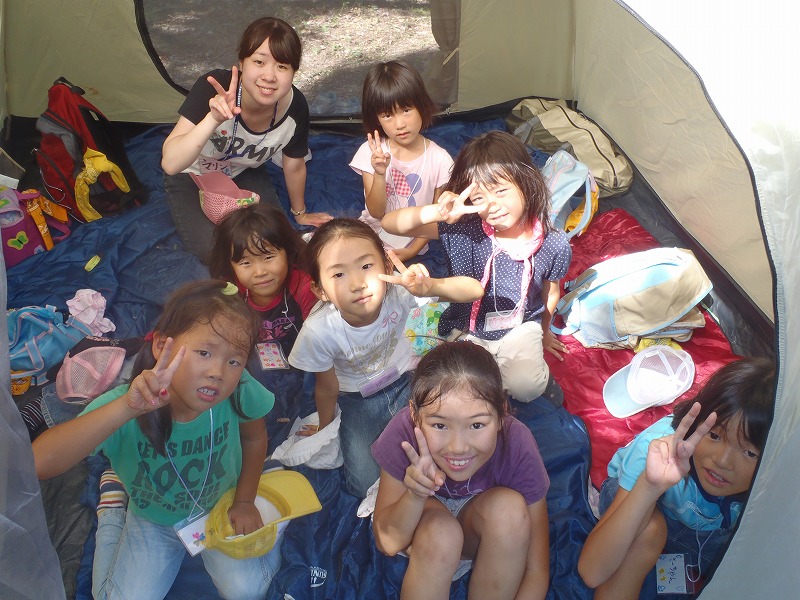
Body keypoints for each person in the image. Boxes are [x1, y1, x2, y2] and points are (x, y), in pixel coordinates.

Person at [32, 280, 280, 600]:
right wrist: (126, 409)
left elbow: (255, 438)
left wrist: (244, 501)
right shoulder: (125, 404)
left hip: (220, 506)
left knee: (248, 591)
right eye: (204, 352)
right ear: (163, 345)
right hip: (153, 518)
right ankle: (112, 507)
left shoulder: (239, 389)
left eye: (234, 360)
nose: (218, 372)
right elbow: (40, 463)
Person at [287, 218, 484, 498]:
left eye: (366, 266)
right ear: (320, 290)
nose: (357, 283)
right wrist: (325, 427)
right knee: (363, 484)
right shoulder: (319, 331)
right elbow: (327, 387)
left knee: (446, 446)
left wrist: (431, 286)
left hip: (408, 379)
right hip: (358, 398)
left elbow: (474, 290)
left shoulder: (397, 294)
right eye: (339, 274)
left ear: (387, 266)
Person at [382, 130, 572, 403]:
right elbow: (390, 224)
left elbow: (550, 293)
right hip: (468, 326)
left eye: (501, 191)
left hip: (519, 326)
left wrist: (544, 332)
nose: (493, 205)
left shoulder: (553, 244)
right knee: (455, 392)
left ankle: (531, 375)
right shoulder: (466, 228)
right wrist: (438, 212)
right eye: (480, 198)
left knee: (526, 387)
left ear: (526, 181)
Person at [578, 357, 776, 599]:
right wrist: (649, 486)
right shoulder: (658, 452)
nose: (723, 462)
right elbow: (591, 572)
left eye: (749, 452)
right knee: (650, 532)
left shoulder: (772, 480)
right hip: (642, 502)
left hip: (707, 534)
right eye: (714, 435)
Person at [371, 341, 550, 599]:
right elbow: (387, 542)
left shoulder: (518, 444)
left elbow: (536, 570)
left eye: (476, 425)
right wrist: (415, 494)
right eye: (440, 426)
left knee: (509, 513)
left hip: (479, 524)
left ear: (502, 414)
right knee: (441, 534)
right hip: (421, 523)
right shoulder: (403, 434)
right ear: (414, 414)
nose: (458, 448)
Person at [161, 17, 332, 262]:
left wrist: (300, 214)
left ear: (293, 72)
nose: (269, 76)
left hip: (242, 171)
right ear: (242, 62)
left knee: (275, 240)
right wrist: (213, 118)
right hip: (191, 174)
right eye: (259, 62)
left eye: (282, 66)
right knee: (216, 252)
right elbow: (171, 163)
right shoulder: (215, 88)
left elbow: (294, 163)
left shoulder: (295, 108)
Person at [209, 202, 316, 448]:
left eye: (268, 257)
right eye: (246, 263)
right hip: (253, 357)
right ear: (231, 265)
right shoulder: (230, 291)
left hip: (300, 355)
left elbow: (320, 344)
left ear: (288, 252)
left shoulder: (303, 287)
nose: (260, 272)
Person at [349, 61, 453, 263]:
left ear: (421, 105)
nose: (400, 124)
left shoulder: (440, 160)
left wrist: (412, 251)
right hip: (370, 233)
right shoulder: (371, 152)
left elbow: (437, 217)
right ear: (377, 118)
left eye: (406, 110)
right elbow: (376, 212)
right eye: (387, 115)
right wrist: (380, 173)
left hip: (412, 239)